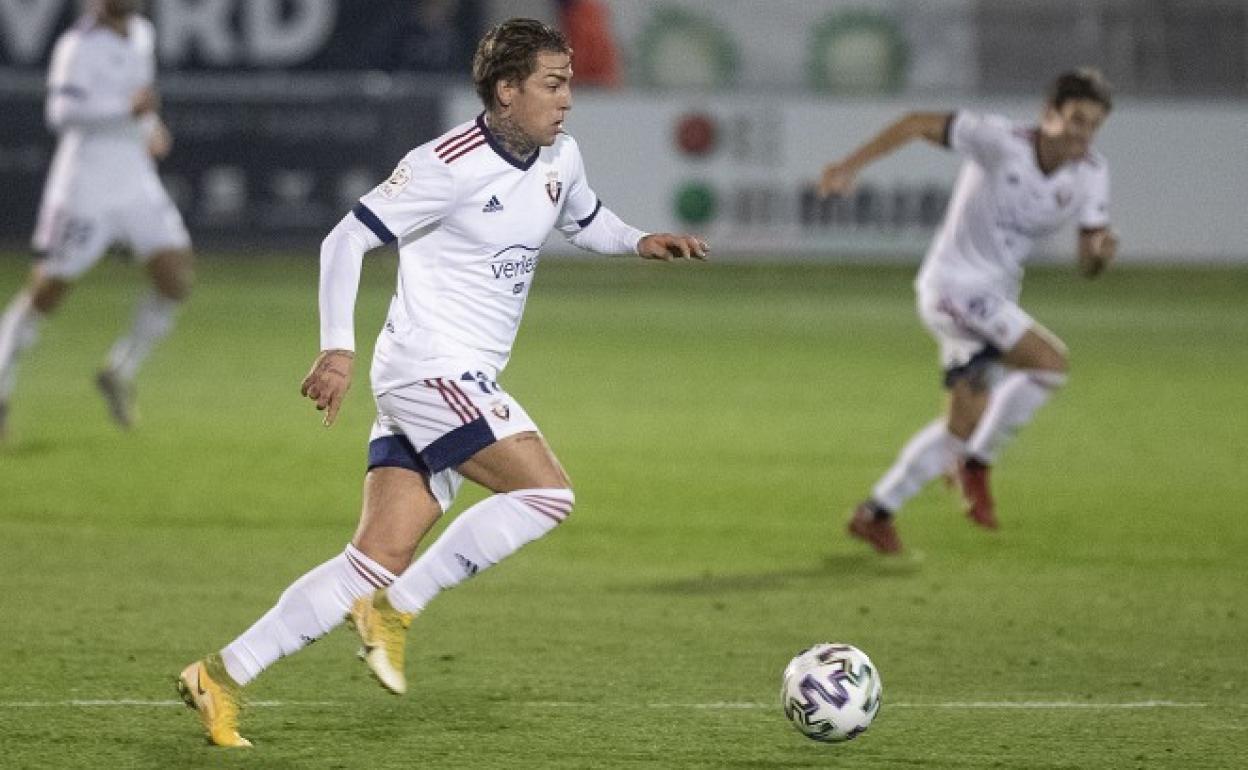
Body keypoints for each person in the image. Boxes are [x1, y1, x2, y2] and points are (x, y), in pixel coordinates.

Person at [176, 18, 708, 748]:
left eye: (570, 85)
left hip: (453, 377)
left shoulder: (563, 157)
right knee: (547, 493)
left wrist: (638, 239)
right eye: (553, 85)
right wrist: (337, 350)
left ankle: (221, 676)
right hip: (430, 367)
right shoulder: (444, 165)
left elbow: (583, 221)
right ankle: (398, 609)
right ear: (506, 89)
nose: (568, 101)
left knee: (371, 559)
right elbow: (346, 238)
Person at [818, 69, 1117, 555]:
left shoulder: (1091, 173)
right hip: (951, 287)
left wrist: (1102, 253)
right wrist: (849, 166)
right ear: (1050, 115)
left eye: (1094, 124)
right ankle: (976, 465)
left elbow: (1089, 261)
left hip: (993, 298)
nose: (1084, 133)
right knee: (1049, 364)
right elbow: (916, 122)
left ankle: (876, 512)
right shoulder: (1000, 140)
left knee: (963, 424)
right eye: (1076, 120)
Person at [0, 0, 193, 439]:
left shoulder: (143, 34)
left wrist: (149, 128)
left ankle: (119, 370)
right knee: (47, 292)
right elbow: (61, 113)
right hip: (84, 187)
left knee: (175, 277)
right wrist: (127, 113)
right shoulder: (77, 46)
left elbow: (141, 98)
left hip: (136, 181)